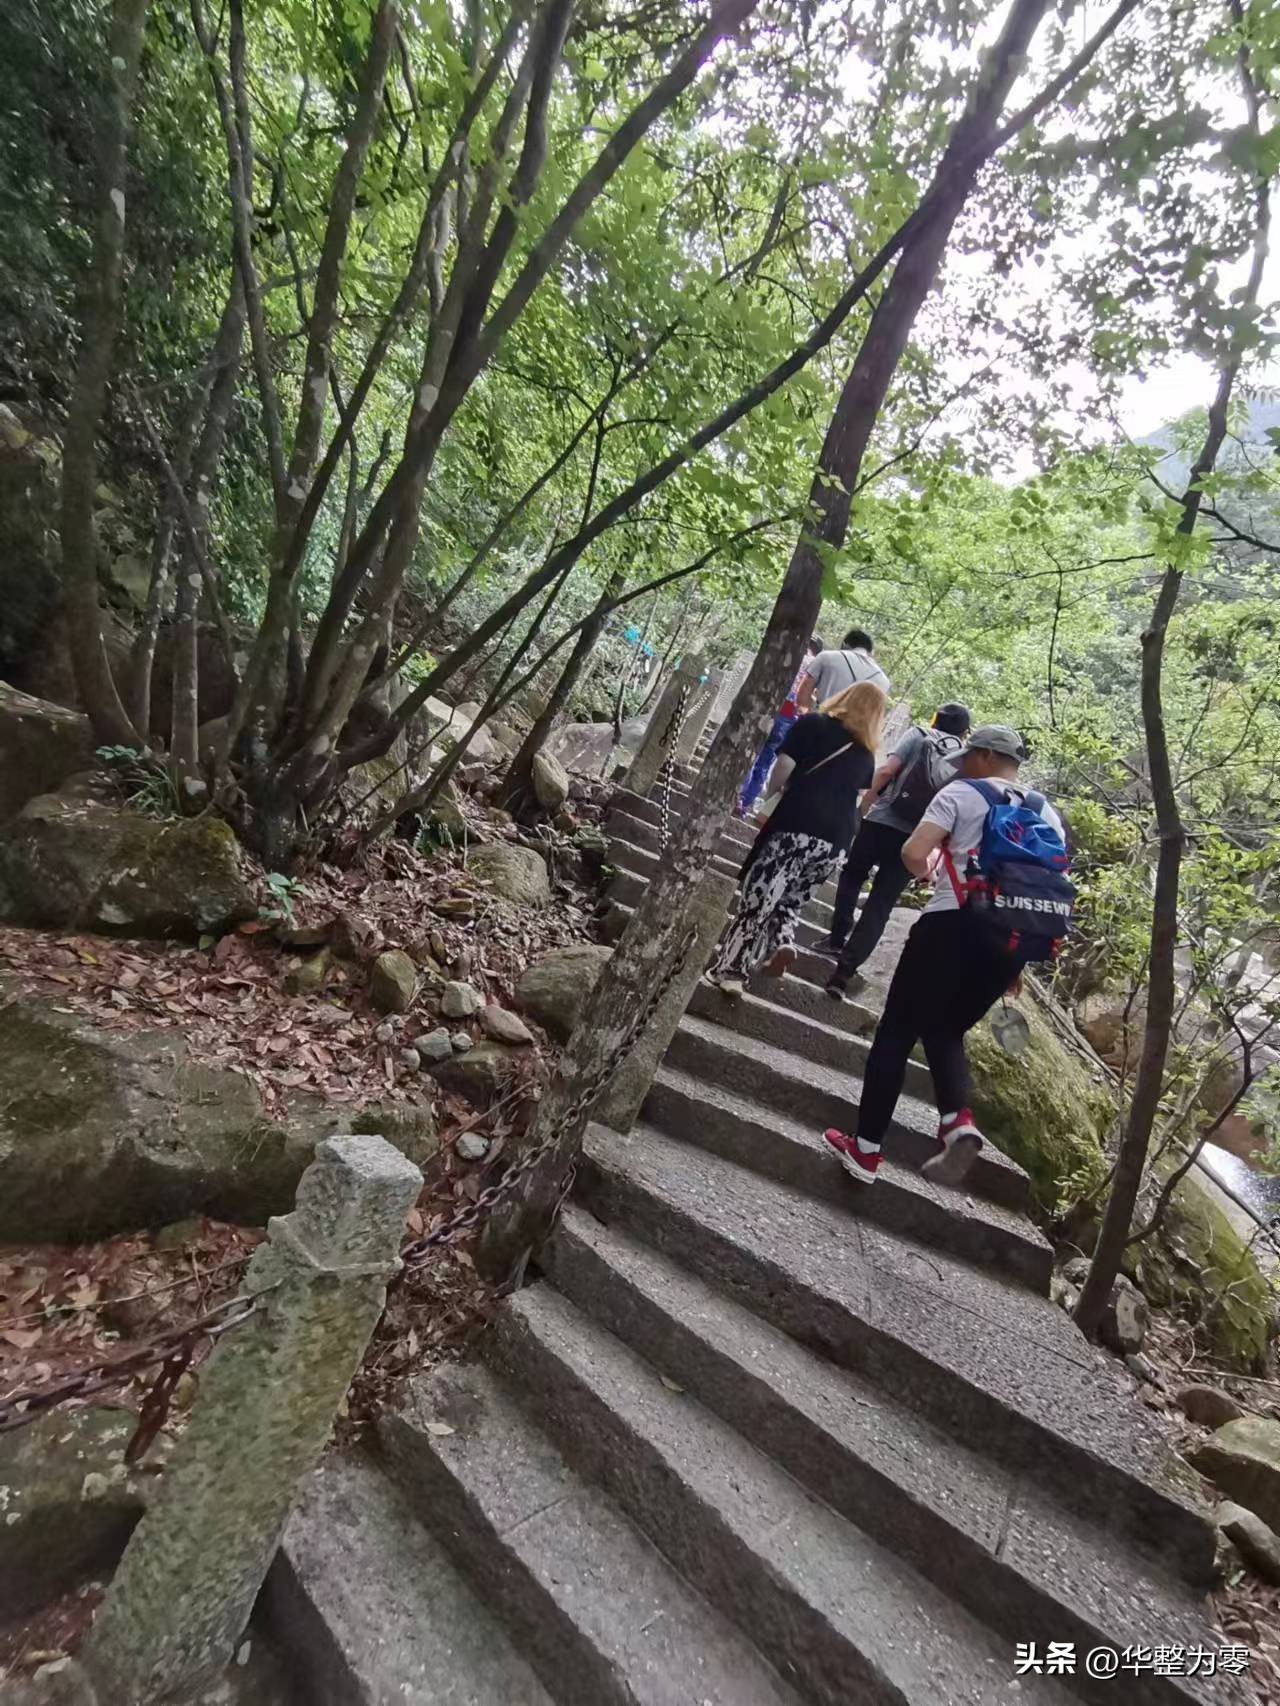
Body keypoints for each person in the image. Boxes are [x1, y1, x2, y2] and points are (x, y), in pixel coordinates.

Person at [823, 725, 1068, 1188]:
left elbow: (913, 852)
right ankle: (957, 1120)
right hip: (1012, 943)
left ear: (983, 756)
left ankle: (867, 1150)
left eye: (968, 758)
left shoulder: (962, 793)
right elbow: (1042, 889)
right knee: (946, 1029)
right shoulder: (1047, 813)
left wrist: (931, 867)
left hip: (949, 926)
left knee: (896, 1032)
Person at [706, 680, 885, 999]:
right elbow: (859, 799)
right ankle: (783, 941)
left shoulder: (814, 723)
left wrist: (774, 797)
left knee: (758, 900)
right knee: (789, 902)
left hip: (796, 825)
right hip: (834, 842)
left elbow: (784, 765)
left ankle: (731, 972)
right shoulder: (866, 755)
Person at [820, 702, 971, 998]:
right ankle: (843, 974)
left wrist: (863, 805)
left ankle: (837, 937)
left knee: (852, 875)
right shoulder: (964, 760)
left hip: (882, 820)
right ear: (964, 731)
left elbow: (888, 770)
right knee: (882, 902)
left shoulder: (918, 734)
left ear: (936, 719)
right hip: (917, 835)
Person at [736, 636, 824, 818]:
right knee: (765, 762)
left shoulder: (790, 654)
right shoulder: (816, 666)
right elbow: (811, 699)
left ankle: (736, 795)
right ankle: (745, 803)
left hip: (769, 709)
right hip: (790, 716)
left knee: (751, 753)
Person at [795, 627, 890, 710]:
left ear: (845, 644)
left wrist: (813, 710)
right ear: (870, 652)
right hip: (854, 730)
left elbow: (803, 694)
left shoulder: (827, 657)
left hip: (819, 722)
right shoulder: (884, 682)